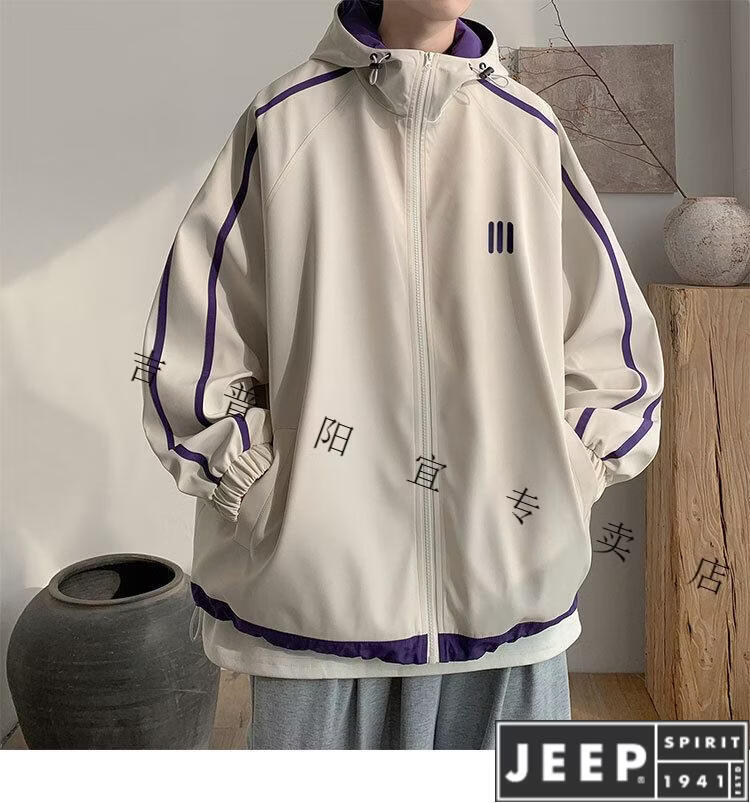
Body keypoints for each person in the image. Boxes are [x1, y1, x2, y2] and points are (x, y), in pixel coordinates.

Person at [139, 0, 664, 749]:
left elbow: (613, 347)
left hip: (509, 593)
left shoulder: (527, 130)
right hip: (316, 607)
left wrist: (568, 472)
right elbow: (197, 337)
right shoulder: (285, 121)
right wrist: (253, 483)